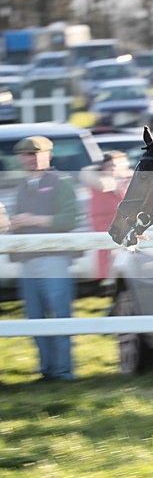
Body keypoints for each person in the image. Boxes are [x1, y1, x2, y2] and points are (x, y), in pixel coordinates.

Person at [8, 136, 78, 381]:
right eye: (27, 155)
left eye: (37, 154)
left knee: (60, 315)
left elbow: (68, 219)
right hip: (28, 260)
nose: (32, 159)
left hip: (54, 259)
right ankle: (46, 371)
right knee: (34, 318)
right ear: (20, 158)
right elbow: (18, 224)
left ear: (49, 155)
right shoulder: (22, 186)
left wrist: (33, 219)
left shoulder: (61, 181)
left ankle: (63, 371)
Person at [79, 151, 132, 284]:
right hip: (104, 225)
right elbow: (86, 173)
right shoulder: (97, 181)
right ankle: (106, 282)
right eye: (109, 165)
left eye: (117, 165)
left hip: (127, 228)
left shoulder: (131, 180)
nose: (113, 168)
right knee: (104, 252)